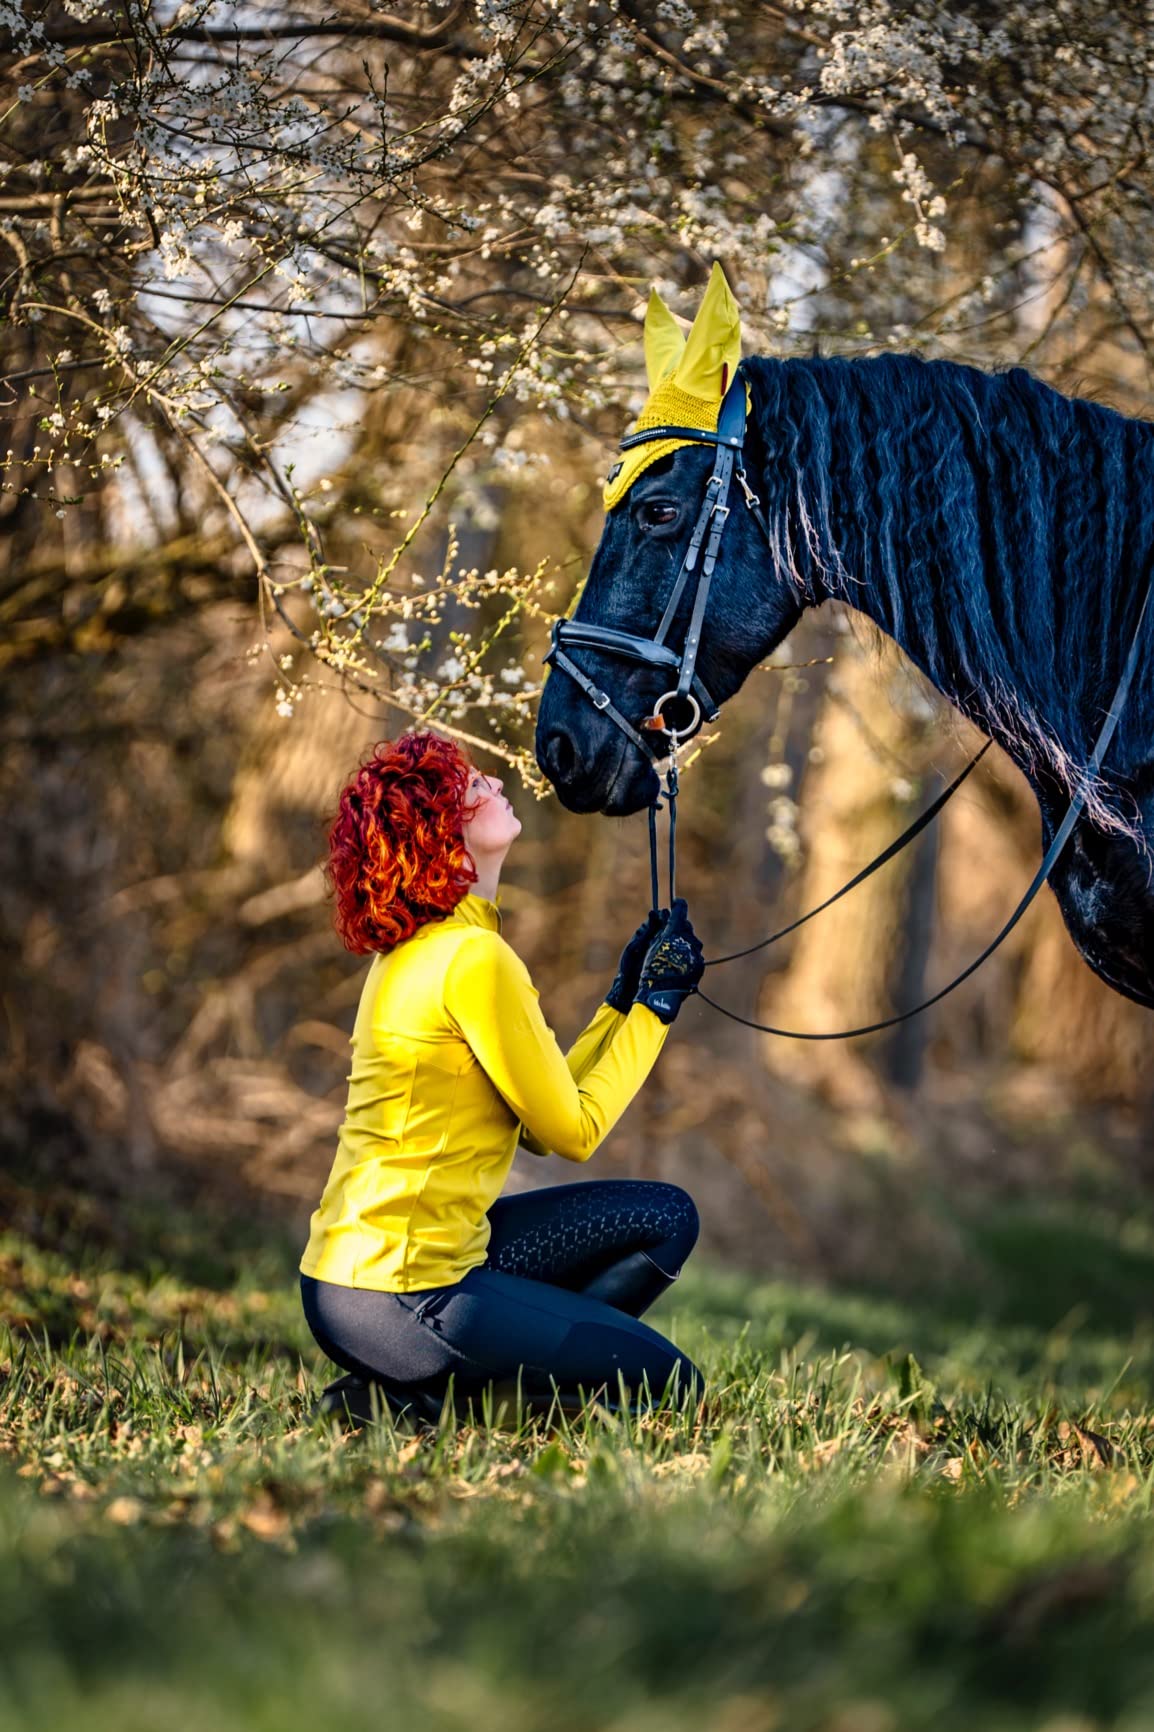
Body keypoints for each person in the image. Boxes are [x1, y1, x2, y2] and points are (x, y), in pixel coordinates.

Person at [299, 731, 707, 1427]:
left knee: (664, 1219)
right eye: (471, 790)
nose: (493, 783)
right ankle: (423, 1403)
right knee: (673, 1386)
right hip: (398, 1296)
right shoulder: (471, 959)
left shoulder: (436, 950)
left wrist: (622, 1003)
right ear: (440, 837)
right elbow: (575, 1133)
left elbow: (547, 1120)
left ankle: (417, 1392)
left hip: (356, 1285)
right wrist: (656, 1011)